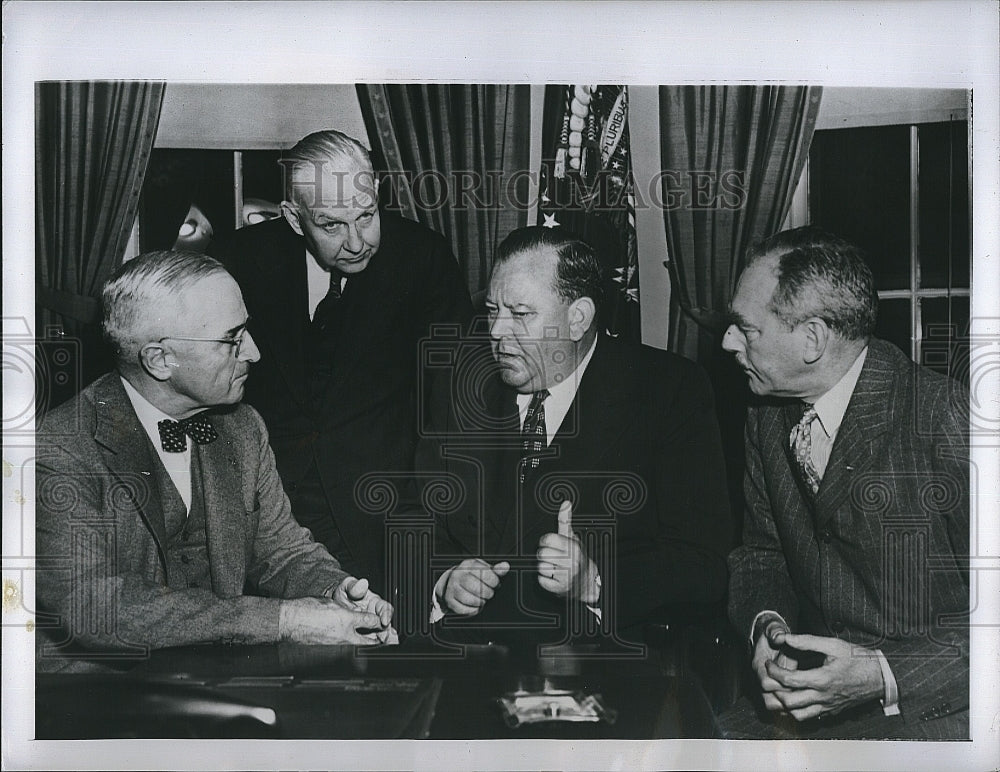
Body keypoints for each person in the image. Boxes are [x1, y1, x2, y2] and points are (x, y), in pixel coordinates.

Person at [35, 251, 396, 660]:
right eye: (231, 340)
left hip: (219, 677)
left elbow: (281, 551)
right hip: (94, 698)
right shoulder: (58, 449)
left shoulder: (242, 427)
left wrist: (334, 591)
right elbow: (95, 607)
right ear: (159, 360)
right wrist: (284, 620)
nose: (254, 353)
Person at [419, 226, 732, 647]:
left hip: (604, 661)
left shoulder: (668, 392)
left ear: (577, 318)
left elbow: (703, 564)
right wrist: (444, 579)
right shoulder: (460, 381)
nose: (495, 331)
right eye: (492, 310)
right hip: (466, 654)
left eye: (520, 314)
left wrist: (594, 582)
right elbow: (417, 513)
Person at [719, 226, 969, 739]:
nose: (727, 341)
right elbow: (762, 554)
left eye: (747, 328)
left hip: (939, 711)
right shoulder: (766, 417)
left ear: (812, 339)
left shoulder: (949, 418)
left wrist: (881, 674)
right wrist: (768, 626)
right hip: (813, 707)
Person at [210, 130, 473, 598]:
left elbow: (450, 410)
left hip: (385, 513)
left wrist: (437, 532)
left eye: (367, 216)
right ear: (294, 218)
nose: (356, 242)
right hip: (270, 520)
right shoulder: (237, 261)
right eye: (331, 225)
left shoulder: (424, 259)